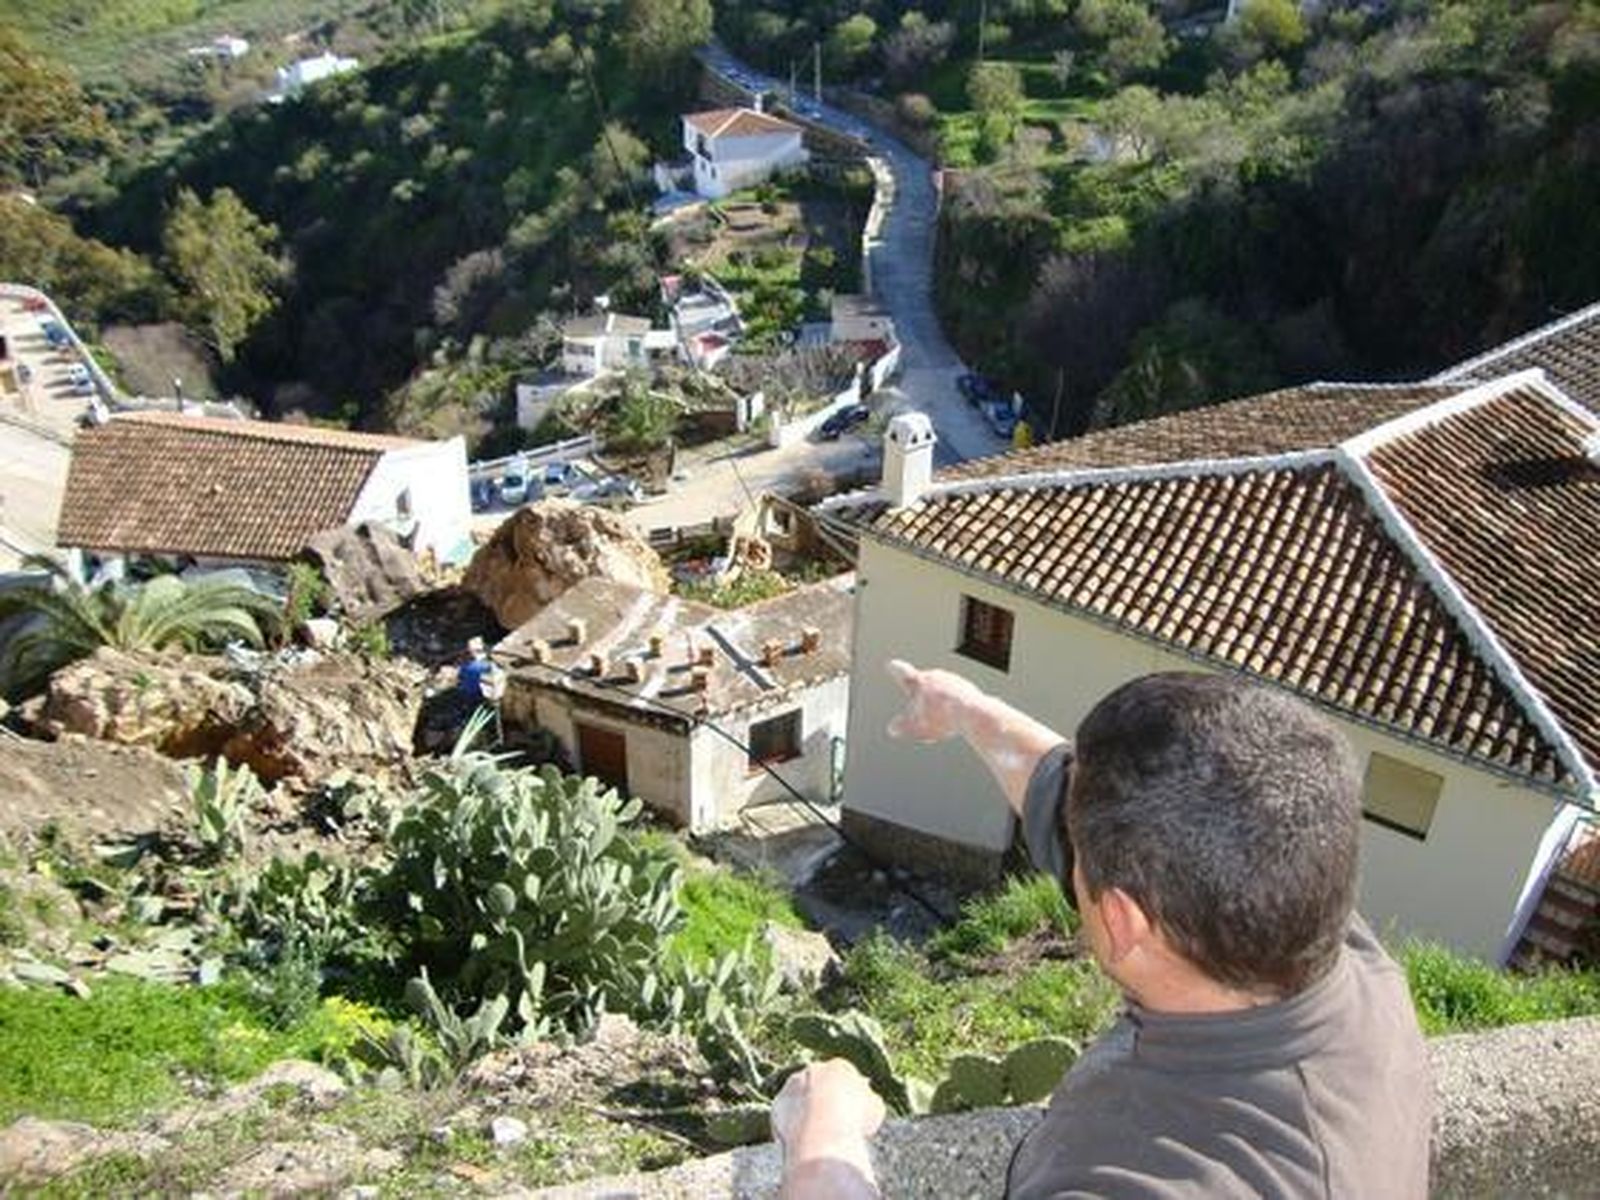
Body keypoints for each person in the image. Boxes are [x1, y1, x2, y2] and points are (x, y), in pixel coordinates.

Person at [774, 661, 1432, 1199]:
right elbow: (1083, 800)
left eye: (1080, 854)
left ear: (1122, 922)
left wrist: (824, 1148)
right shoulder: (1327, 936)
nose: (1067, 842)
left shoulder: (1162, 1179)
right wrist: (966, 709)